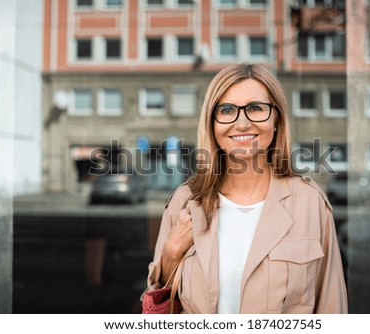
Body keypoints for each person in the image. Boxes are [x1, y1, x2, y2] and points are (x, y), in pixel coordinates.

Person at [144, 63, 348, 314]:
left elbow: (332, 306)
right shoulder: (185, 201)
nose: (241, 123)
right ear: (212, 123)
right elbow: (158, 313)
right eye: (227, 110)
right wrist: (171, 255)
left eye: (255, 108)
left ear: (276, 119)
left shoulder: (309, 201)